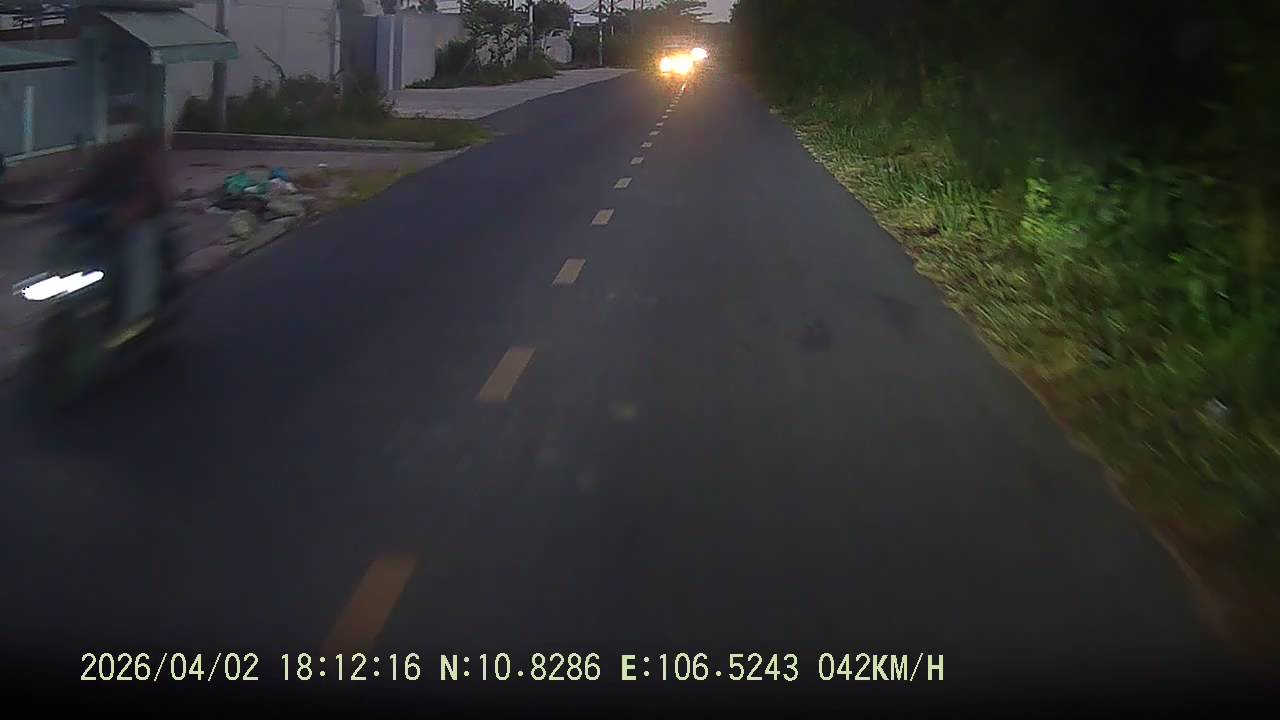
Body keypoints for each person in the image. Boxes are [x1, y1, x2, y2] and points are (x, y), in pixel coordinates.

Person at [62, 102, 172, 340]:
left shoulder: (145, 151)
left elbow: (156, 190)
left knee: (138, 255)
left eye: (121, 122)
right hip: (106, 216)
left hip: (142, 218)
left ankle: (138, 318)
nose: (117, 128)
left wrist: (133, 210)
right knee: (66, 248)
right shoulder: (107, 154)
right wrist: (62, 201)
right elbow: (88, 182)